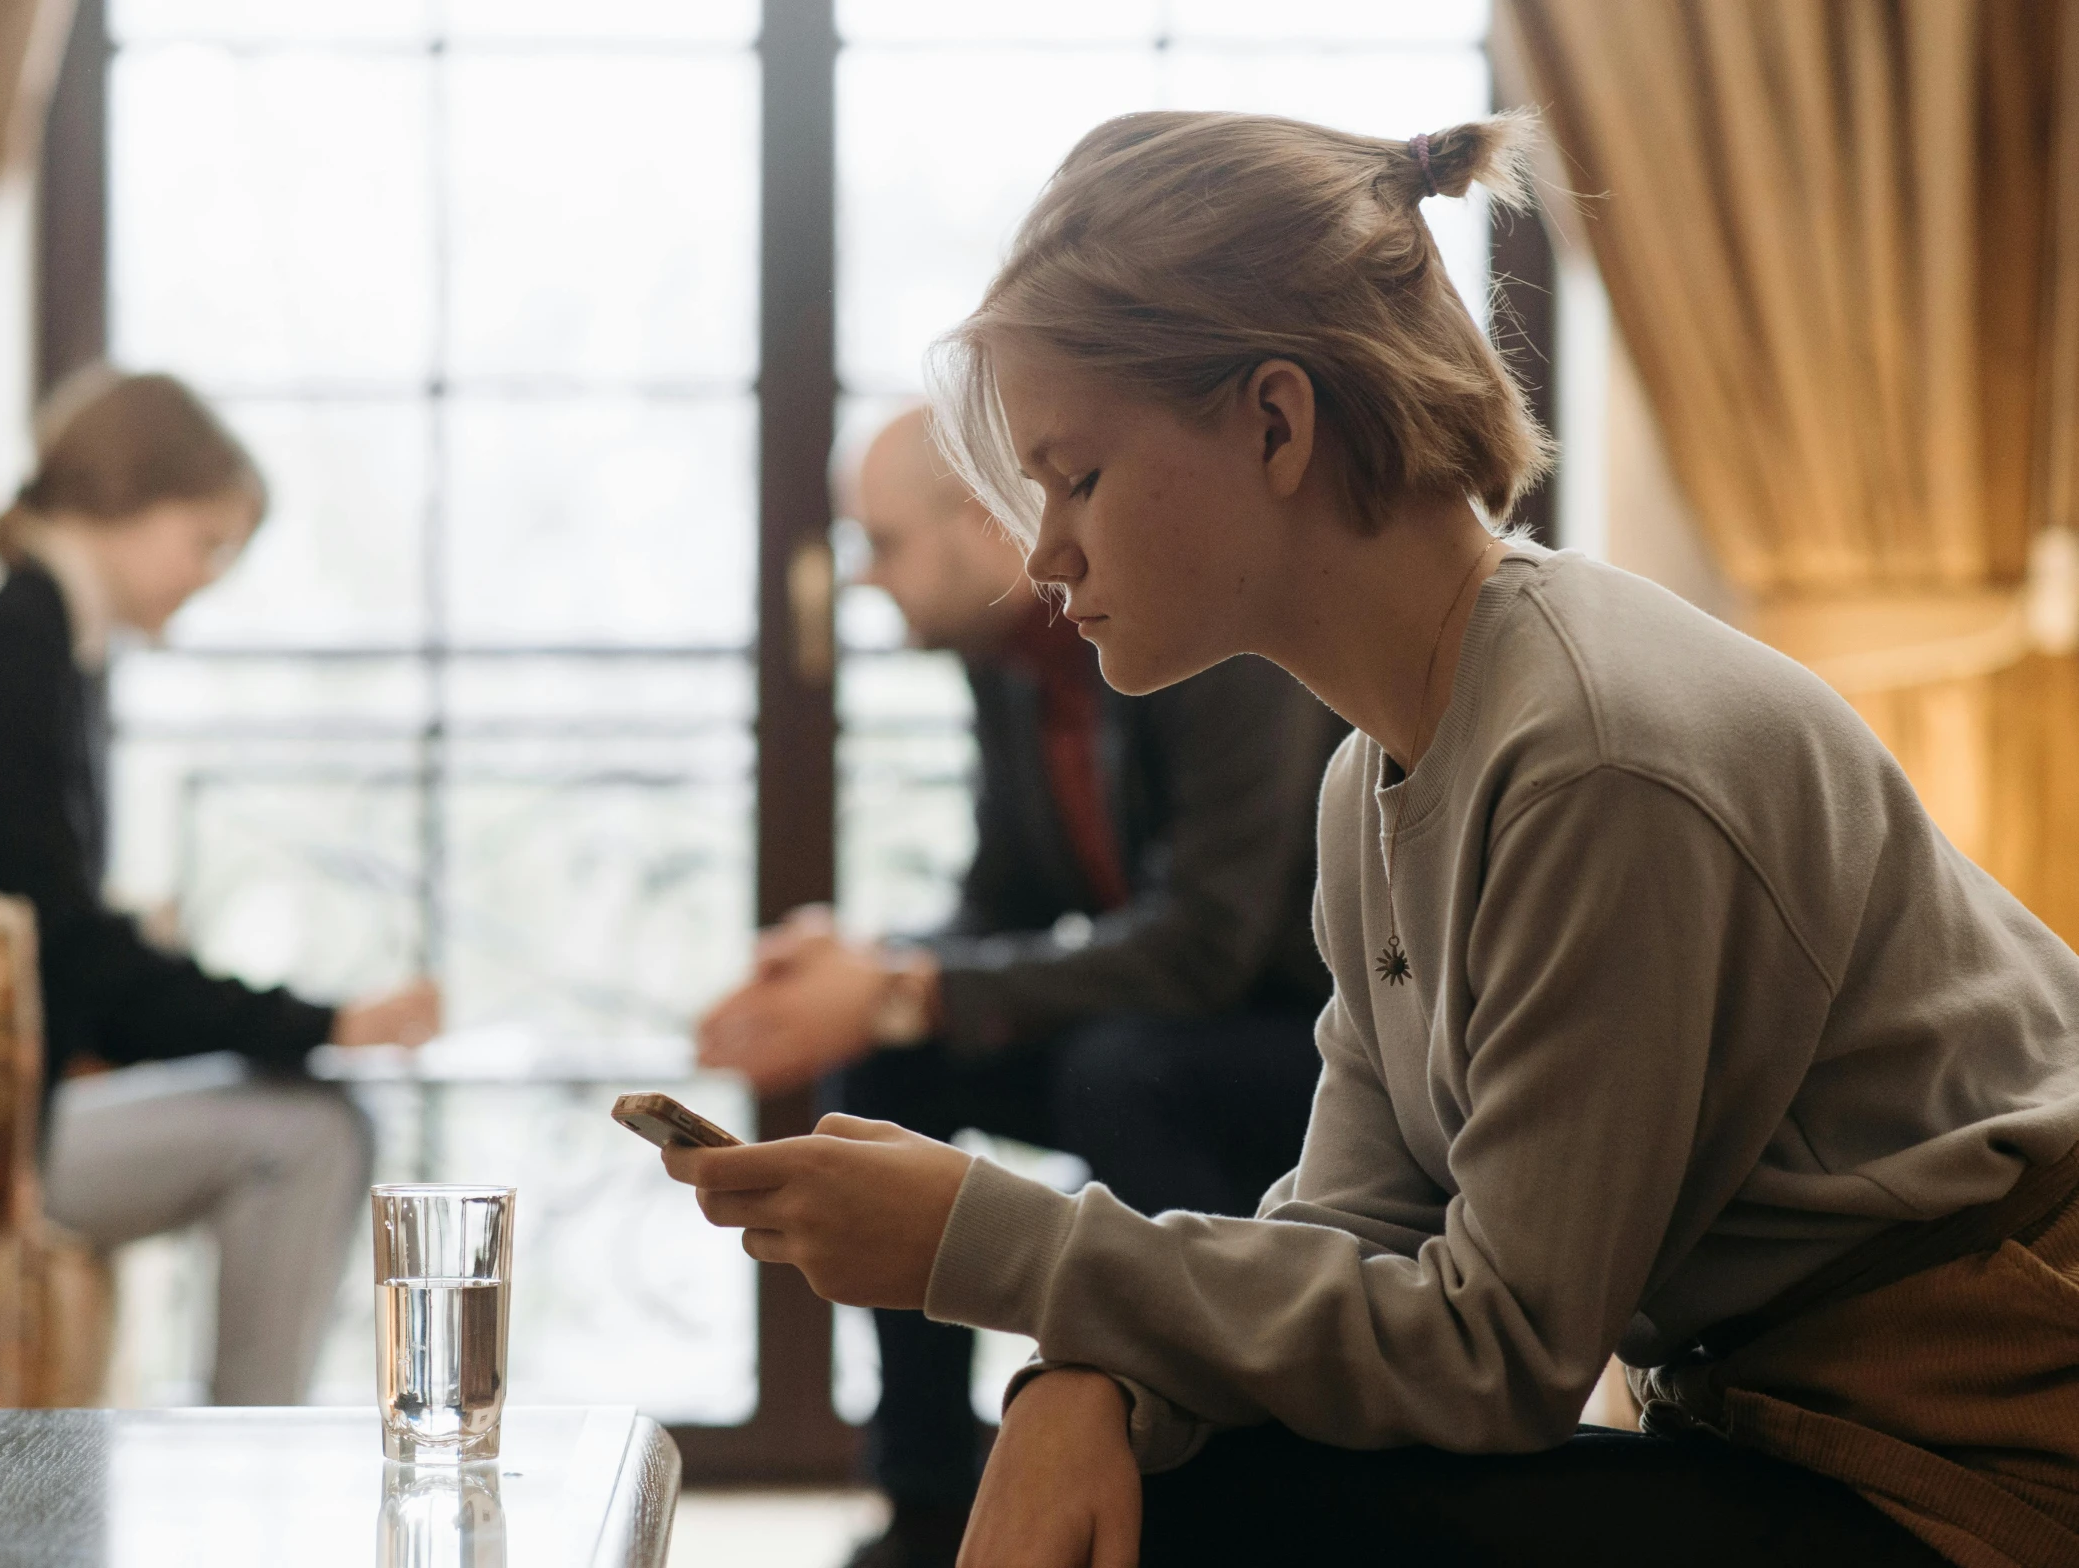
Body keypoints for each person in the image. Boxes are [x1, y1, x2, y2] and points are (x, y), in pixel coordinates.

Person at [662, 109, 2079, 1568]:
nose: (1044, 554)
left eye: (1076, 476)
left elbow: (1498, 1350)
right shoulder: (1381, 772)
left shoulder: (1596, 756)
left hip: (1977, 1478)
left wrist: (995, 1247)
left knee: (1220, 1515)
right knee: (1178, 1465)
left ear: (1276, 422)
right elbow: (1350, 1220)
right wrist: (1088, 1376)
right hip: (1787, 1426)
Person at [697, 407, 1346, 1567]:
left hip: (1311, 1040)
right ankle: (927, 1497)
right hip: (1164, 1026)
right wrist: (864, 973)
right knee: (889, 1059)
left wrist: (905, 981)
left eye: (883, 541)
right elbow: (998, 901)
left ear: (980, 524)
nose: (867, 578)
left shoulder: (1205, 642)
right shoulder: (1010, 669)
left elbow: (1209, 943)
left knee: (1118, 1069)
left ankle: (1217, 1463)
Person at [0, 369, 439, 1406]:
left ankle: (251, 1436)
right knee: (314, 1132)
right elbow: (82, 959)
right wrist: (325, 1016)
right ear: (124, 501)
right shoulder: (7, 661)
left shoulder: (37, 651)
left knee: (310, 1113)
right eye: (206, 542)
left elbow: (56, 944)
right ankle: (252, 1455)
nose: (209, 578)